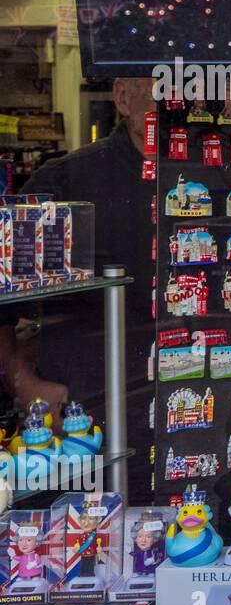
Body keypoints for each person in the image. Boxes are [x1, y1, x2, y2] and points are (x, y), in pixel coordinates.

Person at [0, 77, 156, 503]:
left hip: (185, 409)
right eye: (164, 88)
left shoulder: (210, 175)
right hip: (86, 411)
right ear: (124, 98)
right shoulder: (67, 180)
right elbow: (2, 304)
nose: (179, 103)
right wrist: (24, 382)